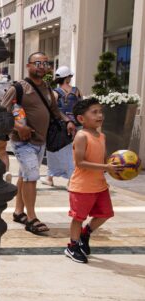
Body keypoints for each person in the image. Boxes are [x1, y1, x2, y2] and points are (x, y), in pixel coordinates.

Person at [0, 52, 77, 235]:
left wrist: (67, 120)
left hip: (40, 140)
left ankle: (19, 212)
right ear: (29, 66)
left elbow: (55, 111)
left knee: (25, 175)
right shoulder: (18, 88)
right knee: (32, 176)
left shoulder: (48, 89)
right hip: (22, 142)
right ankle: (32, 218)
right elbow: (1, 113)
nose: (41, 66)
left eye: (45, 63)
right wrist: (19, 127)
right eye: (37, 63)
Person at [64, 98, 122, 263]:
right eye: (94, 112)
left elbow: (104, 160)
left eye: (100, 111)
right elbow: (80, 162)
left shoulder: (101, 136)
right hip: (82, 186)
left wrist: (116, 165)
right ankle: (72, 246)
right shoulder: (81, 136)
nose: (99, 115)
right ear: (81, 119)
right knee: (78, 218)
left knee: (105, 214)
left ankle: (85, 233)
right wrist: (106, 166)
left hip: (99, 185)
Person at [44, 66, 82, 187]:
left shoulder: (55, 92)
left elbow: (50, 108)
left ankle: (50, 178)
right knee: (73, 153)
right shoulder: (77, 91)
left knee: (54, 151)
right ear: (68, 78)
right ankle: (71, 180)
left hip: (59, 127)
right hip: (76, 126)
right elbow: (82, 107)